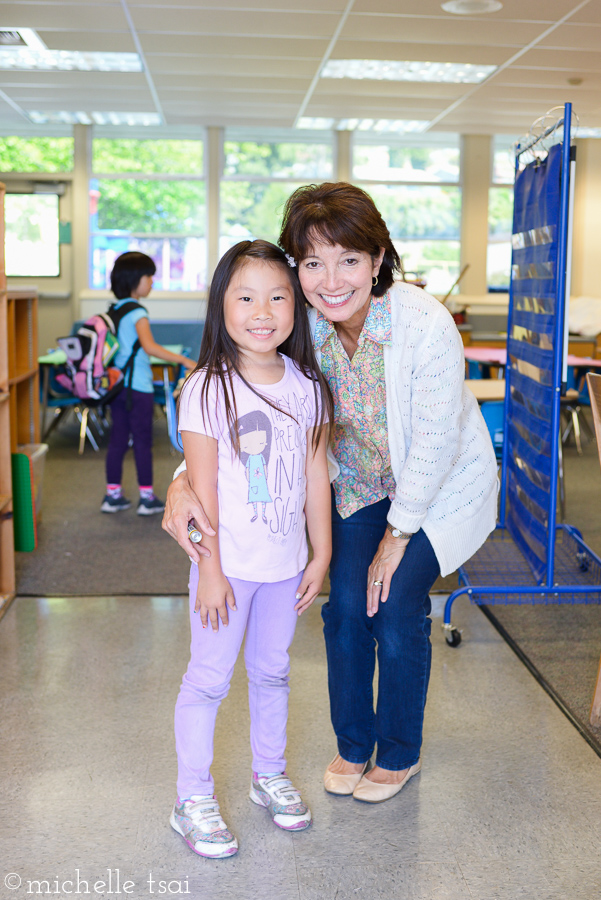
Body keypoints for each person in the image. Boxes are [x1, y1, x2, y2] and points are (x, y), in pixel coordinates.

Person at [163, 183, 498, 807]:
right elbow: (238, 407)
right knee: (343, 606)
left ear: (377, 260)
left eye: (349, 260)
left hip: (435, 487)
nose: (331, 279)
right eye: (313, 263)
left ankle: (398, 752)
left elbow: (430, 445)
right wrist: (183, 479)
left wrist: (397, 539)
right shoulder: (301, 325)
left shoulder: (423, 323)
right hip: (357, 487)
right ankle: (353, 744)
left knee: (393, 601)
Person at [171, 240, 332, 858]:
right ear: (222, 305)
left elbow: (316, 475)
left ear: (296, 306)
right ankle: (192, 797)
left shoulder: (308, 386)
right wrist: (210, 571)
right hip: (227, 570)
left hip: (284, 567)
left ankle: (270, 776)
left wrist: (319, 555)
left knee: (273, 672)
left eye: (277, 296)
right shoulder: (207, 387)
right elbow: (202, 490)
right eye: (245, 297)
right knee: (208, 680)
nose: (262, 311)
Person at [101, 251, 195, 515]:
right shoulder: (138, 311)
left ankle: (112, 495)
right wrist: (185, 361)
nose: (152, 282)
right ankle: (146, 498)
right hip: (138, 387)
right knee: (142, 440)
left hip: (117, 386)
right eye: (149, 276)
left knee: (118, 439)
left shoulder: (115, 310)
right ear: (135, 279)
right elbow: (150, 346)